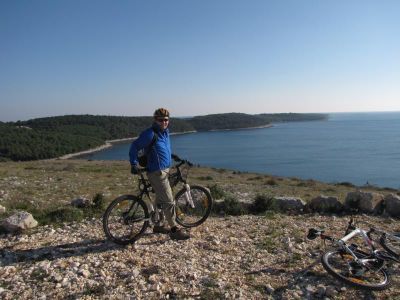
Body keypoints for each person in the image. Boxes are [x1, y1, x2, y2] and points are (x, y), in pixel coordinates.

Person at [129, 108, 190, 240]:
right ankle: (174, 229)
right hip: (157, 173)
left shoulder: (165, 133)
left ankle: (158, 225)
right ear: (155, 120)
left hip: (165, 170)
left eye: (166, 120)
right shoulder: (150, 134)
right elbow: (134, 146)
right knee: (169, 201)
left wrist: (172, 155)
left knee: (160, 200)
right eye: (160, 120)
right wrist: (133, 164)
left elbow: (161, 149)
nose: (164, 122)